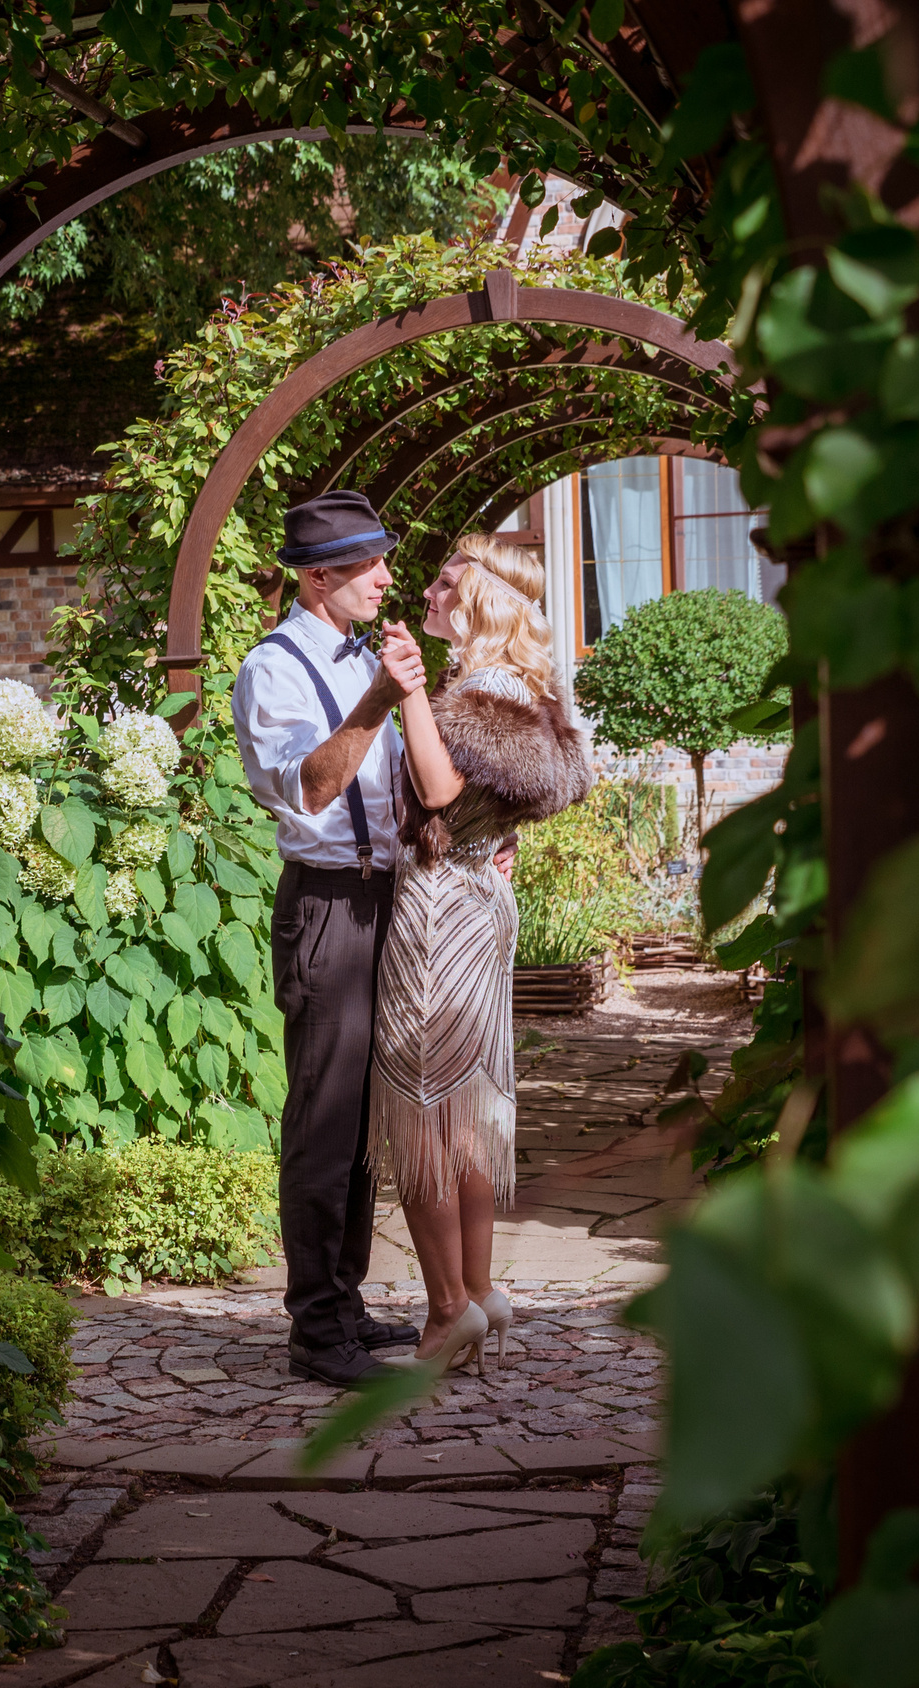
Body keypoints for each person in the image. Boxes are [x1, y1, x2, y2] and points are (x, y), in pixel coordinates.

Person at [368, 534, 595, 1375]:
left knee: (422, 1106)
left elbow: (437, 790)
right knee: (465, 1110)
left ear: (482, 600)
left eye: (443, 580)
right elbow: (523, 794)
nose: (426, 590)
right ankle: (478, 1290)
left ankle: (444, 1312)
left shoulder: (474, 694)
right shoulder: (514, 686)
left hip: (440, 909)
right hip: (478, 898)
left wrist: (411, 693)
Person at [229, 491, 429, 1386]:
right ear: (319, 578)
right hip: (326, 910)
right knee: (321, 1118)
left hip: (385, 898)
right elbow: (310, 790)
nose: (388, 577)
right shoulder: (270, 670)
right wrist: (377, 703)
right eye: (370, 564)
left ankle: (344, 1302)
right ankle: (316, 1328)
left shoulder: (365, 654)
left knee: (361, 1122)